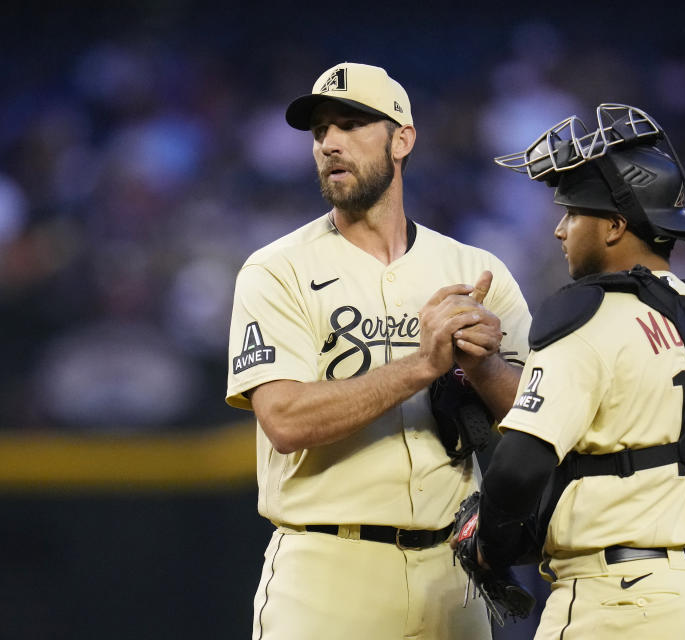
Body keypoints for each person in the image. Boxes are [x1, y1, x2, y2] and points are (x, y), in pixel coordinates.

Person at [225, 62, 531, 640]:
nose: (329, 144)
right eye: (320, 131)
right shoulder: (277, 270)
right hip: (325, 572)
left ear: (402, 139)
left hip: (453, 575)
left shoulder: (476, 271)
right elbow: (284, 419)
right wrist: (422, 365)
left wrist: (484, 367)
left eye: (352, 124)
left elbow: (539, 418)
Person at [458, 104, 685, 639]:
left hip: (618, 601)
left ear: (616, 225)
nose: (559, 230)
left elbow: (520, 467)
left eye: (573, 213)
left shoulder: (588, 313)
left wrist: (489, 545)